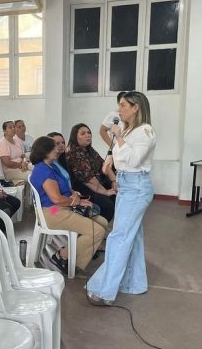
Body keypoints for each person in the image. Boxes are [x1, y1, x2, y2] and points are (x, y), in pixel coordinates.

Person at [86, 91, 157, 305]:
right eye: (119, 105)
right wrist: (109, 158)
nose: (119, 109)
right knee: (132, 237)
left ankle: (104, 291)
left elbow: (134, 160)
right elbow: (119, 152)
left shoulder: (145, 131)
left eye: (124, 105)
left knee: (118, 237)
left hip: (136, 187)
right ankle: (133, 284)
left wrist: (117, 135)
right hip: (127, 185)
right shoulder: (128, 129)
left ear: (136, 107)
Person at [29, 137, 108, 274]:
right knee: (97, 231)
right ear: (45, 151)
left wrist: (75, 195)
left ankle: (73, 252)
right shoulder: (43, 170)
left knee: (102, 222)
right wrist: (77, 201)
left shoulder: (51, 166)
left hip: (60, 207)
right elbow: (57, 199)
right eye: (54, 147)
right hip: (51, 211)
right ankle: (63, 255)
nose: (57, 149)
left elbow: (65, 188)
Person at [66, 123, 117, 222]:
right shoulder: (74, 153)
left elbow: (104, 165)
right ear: (75, 137)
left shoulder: (89, 150)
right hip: (83, 188)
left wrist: (114, 181)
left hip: (96, 184)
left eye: (89, 133)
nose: (88, 135)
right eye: (83, 133)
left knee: (115, 195)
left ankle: (103, 228)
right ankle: (97, 229)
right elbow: (88, 179)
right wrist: (105, 192)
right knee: (108, 205)